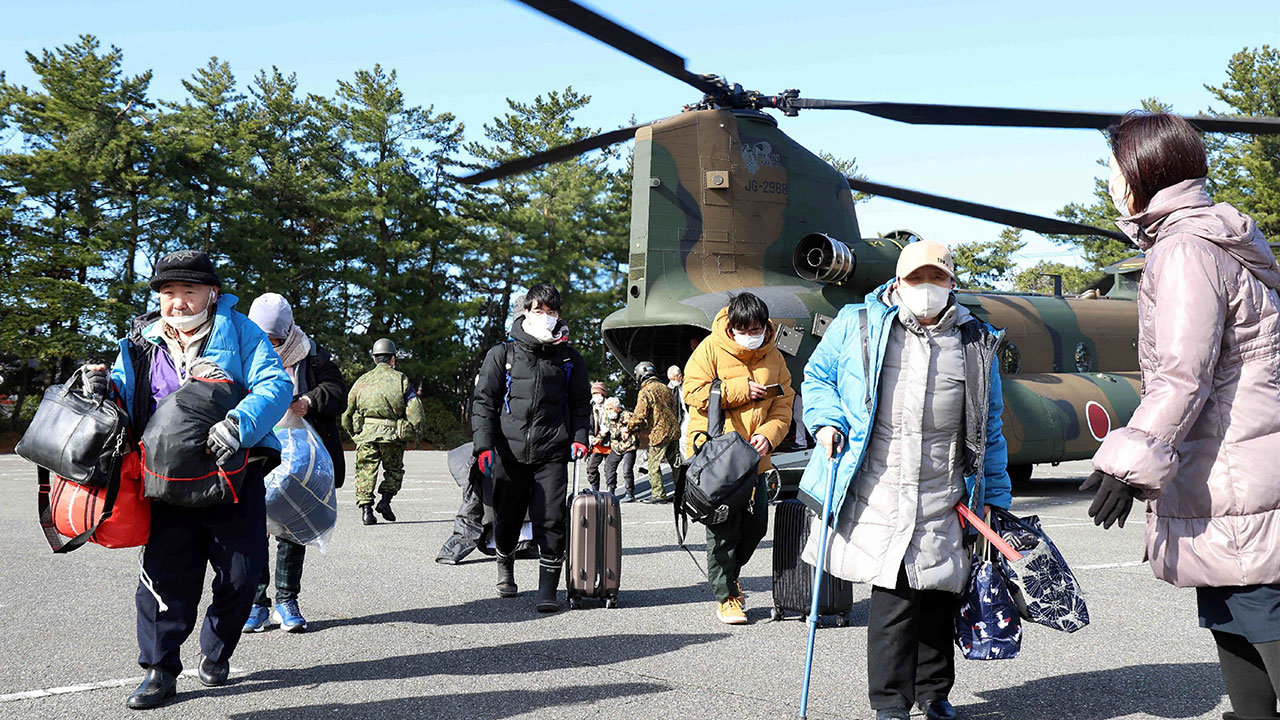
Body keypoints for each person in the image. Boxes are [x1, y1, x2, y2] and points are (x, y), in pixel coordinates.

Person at [1084, 112, 1280, 720]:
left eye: (1115, 169)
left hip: (1231, 476)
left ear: (1141, 172)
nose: (1112, 183)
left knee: (1258, 616)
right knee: (1234, 620)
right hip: (1234, 469)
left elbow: (1181, 373)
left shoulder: (1184, 250)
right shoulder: (1219, 239)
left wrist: (1127, 462)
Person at [799, 240, 1012, 720]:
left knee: (939, 592)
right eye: (917, 279)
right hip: (879, 483)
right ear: (898, 283)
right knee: (893, 596)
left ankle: (934, 693)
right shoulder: (858, 323)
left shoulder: (977, 340)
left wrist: (995, 497)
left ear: (952, 284)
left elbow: (991, 424)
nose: (927, 289)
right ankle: (890, 704)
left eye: (937, 279)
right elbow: (817, 377)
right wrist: (828, 420)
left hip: (944, 488)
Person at [82, 250, 292, 709]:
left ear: (211, 293)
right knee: (164, 577)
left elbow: (275, 385)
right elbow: (125, 397)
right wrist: (101, 389)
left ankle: (218, 649)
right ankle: (160, 670)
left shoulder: (240, 331)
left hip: (233, 473)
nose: (176, 302)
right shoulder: (140, 342)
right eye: (167, 292)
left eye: (188, 291)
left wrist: (238, 424)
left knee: (241, 576)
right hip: (164, 480)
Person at [471, 284, 591, 612]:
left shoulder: (569, 359)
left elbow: (580, 403)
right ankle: (505, 569)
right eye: (538, 310)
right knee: (507, 518)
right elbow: (484, 402)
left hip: (552, 450)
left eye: (551, 312)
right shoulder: (502, 354)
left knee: (551, 518)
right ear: (525, 311)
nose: (545, 317)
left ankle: (547, 589)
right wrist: (483, 445)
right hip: (508, 452)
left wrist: (580, 437)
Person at [683, 292, 794, 625]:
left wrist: (770, 435)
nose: (752, 333)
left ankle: (731, 576)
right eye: (744, 328)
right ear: (731, 326)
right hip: (718, 458)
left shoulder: (775, 356)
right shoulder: (709, 349)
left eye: (758, 327)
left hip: (756, 458)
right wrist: (740, 389)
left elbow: (783, 405)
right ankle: (727, 597)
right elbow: (692, 392)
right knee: (722, 529)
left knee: (757, 525)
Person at [242, 293, 348, 634]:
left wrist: (308, 400)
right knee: (252, 526)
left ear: (288, 332)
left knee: (292, 528)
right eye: (264, 337)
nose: (270, 344)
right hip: (254, 450)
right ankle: (257, 604)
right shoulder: (241, 350)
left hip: (300, 454)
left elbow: (338, 392)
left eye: (276, 338)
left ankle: (287, 600)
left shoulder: (311, 354)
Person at [341, 338, 424, 526]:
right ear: (393, 358)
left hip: (366, 435)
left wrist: (353, 434)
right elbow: (415, 410)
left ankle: (366, 511)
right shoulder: (400, 379)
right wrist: (415, 430)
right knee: (394, 469)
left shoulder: (361, 381)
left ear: (374, 358)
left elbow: (347, 413)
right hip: (392, 435)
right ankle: (385, 501)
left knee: (365, 471)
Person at [628, 361, 680, 503]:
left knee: (653, 465)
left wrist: (628, 427)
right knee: (676, 465)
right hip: (673, 431)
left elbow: (639, 415)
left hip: (659, 433)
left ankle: (658, 495)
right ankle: (682, 493)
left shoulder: (646, 391)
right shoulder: (665, 388)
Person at [601, 397, 637, 502]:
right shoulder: (607, 416)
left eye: (610, 408)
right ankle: (610, 490)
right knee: (609, 467)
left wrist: (628, 429)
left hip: (629, 446)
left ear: (617, 408)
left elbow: (639, 425)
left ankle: (630, 493)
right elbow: (606, 430)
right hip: (616, 447)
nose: (608, 411)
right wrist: (597, 438)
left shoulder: (627, 415)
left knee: (627, 470)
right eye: (607, 409)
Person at [586, 381, 612, 492]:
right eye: (594, 394)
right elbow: (588, 423)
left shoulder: (612, 405)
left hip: (610, 442)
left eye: (598, 394)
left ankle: (611, 491)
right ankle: (595, 490)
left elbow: (609, 425)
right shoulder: (590, 407)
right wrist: (590, 436)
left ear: (603, 394)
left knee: (609, 470)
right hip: (596, 444)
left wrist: (600, 437)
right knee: (591, 467)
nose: (596, 397)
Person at [667, 364, 690, 457]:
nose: (672, 382)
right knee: (682, 439)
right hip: (685, 416)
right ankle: (686, 461)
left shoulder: (689, 384)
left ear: (680, 376)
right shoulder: (674, 388)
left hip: (694, 414)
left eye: (673, 379)